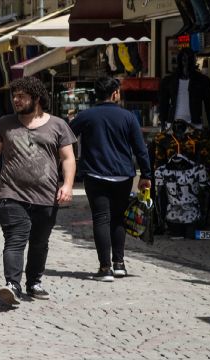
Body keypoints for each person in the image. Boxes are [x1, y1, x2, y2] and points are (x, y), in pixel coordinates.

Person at [0, 76, 76, 305]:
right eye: (14, 96)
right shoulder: (5, 123)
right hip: (12, 193)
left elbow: (68, 158)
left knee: (39, 242)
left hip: (46, 195)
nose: (16, 100)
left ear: (36, 98)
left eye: (21, 96)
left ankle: (34, 282)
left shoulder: (58, 125)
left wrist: (67, 184)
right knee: (15, 238)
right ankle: (12, 284)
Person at [70, 76, 152, 281]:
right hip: (123, 175)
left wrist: (71, 161)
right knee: (118, 219)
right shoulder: (128, 117)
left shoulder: (86, 116)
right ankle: (119, 263)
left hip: (95, 174)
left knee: (101, 218)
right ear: (115, 93)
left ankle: (105, 268)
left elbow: (65, 136)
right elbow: (141, 149)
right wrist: (147, 175)